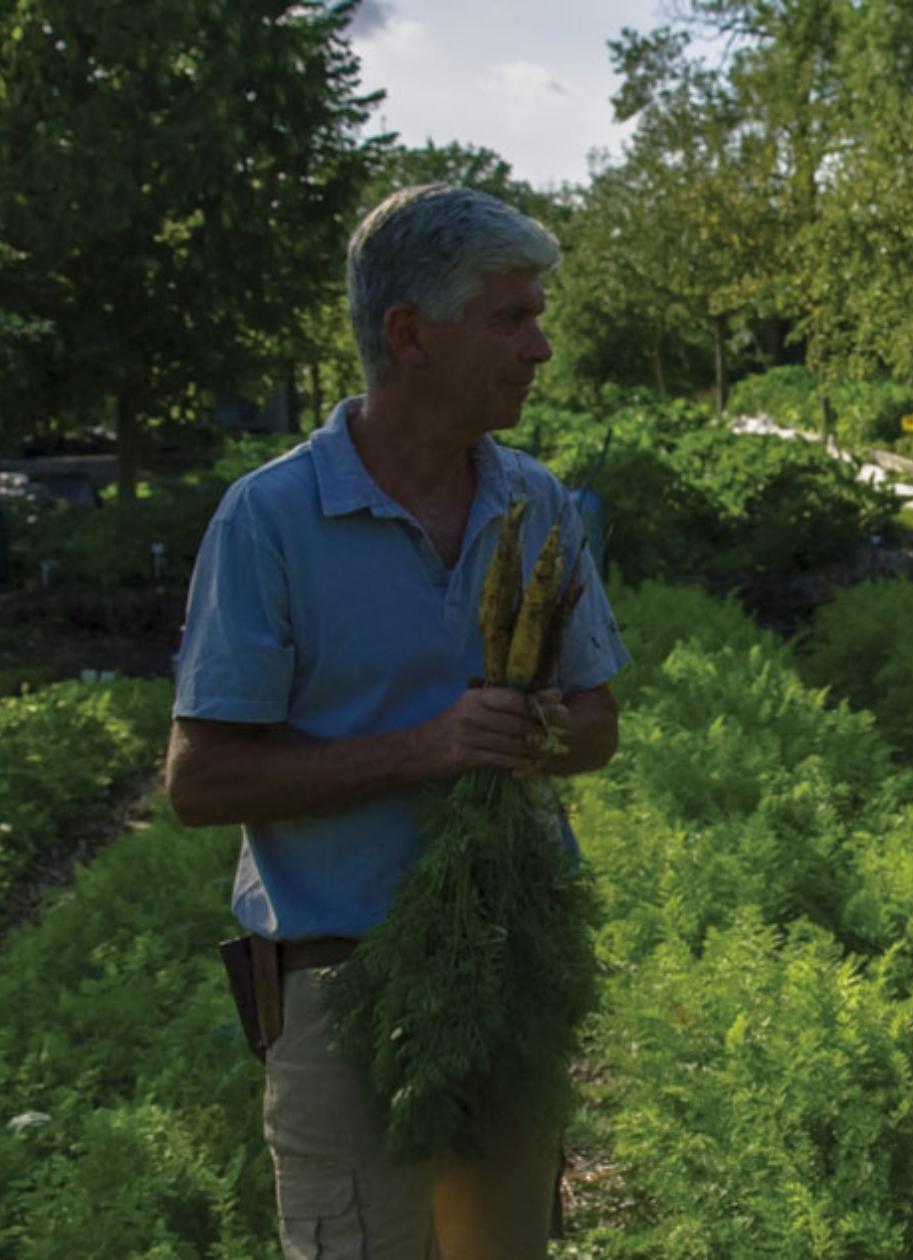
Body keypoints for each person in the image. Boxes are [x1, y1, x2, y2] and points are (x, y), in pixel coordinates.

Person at [165, 184, 630, 1259]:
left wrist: (538, 733)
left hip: (509, 966)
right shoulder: (271, 521)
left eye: (536, 315)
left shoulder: (538, 506)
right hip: (343, 994)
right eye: (509, 318)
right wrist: (426, 749)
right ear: (409, 335)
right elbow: (200, 783)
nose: (541, 346)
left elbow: (599, 726)